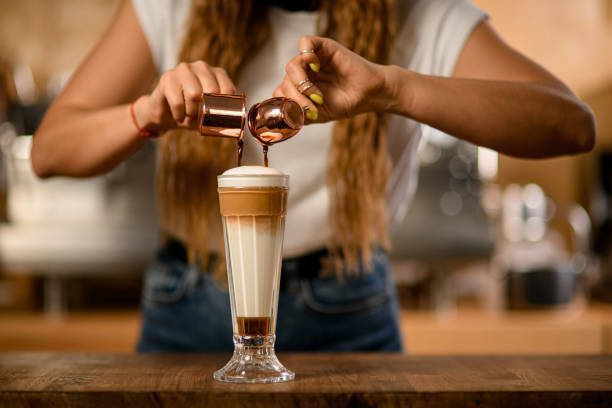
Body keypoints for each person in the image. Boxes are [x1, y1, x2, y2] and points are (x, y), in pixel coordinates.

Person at [31, 0, 595, 352]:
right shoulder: (172, 6)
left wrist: (395, 90)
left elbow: (571, 124)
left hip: (349, 309)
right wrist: (145, 114)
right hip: (191, 304)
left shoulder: (420, 12)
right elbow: (50, 151)